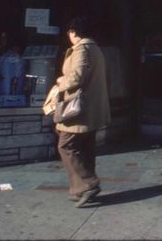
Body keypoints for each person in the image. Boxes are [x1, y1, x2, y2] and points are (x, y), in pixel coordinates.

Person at [55, 16, 111, 208]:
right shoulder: (95, 49)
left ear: (74, 32)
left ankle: (88, 184)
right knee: (86, 149)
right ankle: (80, 188)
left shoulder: (82, 49)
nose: (68, 36)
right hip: (91, 108)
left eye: (69, 32)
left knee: (66, 145)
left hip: (79, 109)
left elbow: (76, 77)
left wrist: (60, 83)